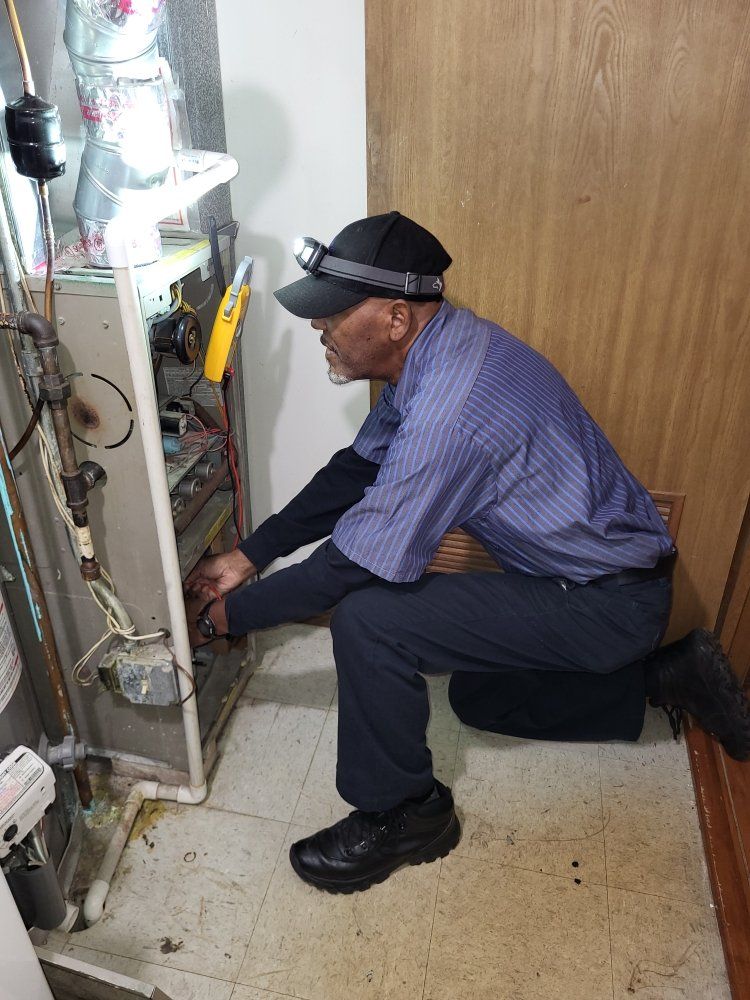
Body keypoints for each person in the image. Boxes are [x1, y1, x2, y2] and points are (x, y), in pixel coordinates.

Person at [185, 211, 750, 894]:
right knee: (482, 698)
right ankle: (667, 677)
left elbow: (347, 568)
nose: (319, 327)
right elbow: (354, 471)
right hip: (592, 586)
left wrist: (227, 617)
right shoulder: (442, 350)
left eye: (333, 313)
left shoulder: (451, 409)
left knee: (369, 620)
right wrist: (248, 554)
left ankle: (404, 813)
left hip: (609, 602)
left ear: (396, 318)